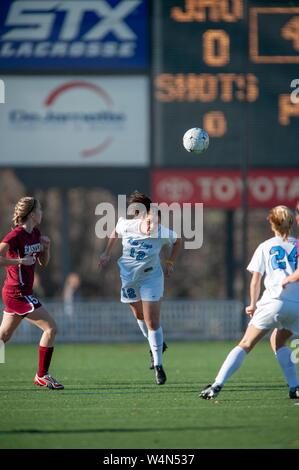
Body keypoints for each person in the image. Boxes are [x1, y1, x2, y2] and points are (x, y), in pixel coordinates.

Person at [200, 205, 299, 400]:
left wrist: (253, 304)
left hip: (273, 302)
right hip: (296, 306)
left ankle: (217, 385)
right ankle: (294, 387)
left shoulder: (265, 246)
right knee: (278, 341)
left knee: (245, 344)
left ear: (272, 224)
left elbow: (255, 280)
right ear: (292, 222)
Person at [99, 191, 181, 385]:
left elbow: (178, 241)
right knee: (139, 316)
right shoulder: (128, 225)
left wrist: (170, 262)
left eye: (156, 223)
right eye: (150, 222)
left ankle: (159, 365)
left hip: (151, 278)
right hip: (129, 279)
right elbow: (115, 232)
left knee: (152, 321)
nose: (153, 227)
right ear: (142, 219)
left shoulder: (162, 232)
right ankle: (155, 345)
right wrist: (106, 253)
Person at [0, 197, 64, 390]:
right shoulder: (16, 235)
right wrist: (19, 262)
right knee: (51, 328)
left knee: (3, 336)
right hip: (16, 293)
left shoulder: (35, 233)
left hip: (22, 292)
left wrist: (47, 248)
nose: (42, 212)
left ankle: (41, 375)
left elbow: (43, 263)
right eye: (40, 209)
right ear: (32, 214)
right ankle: (42, 375)